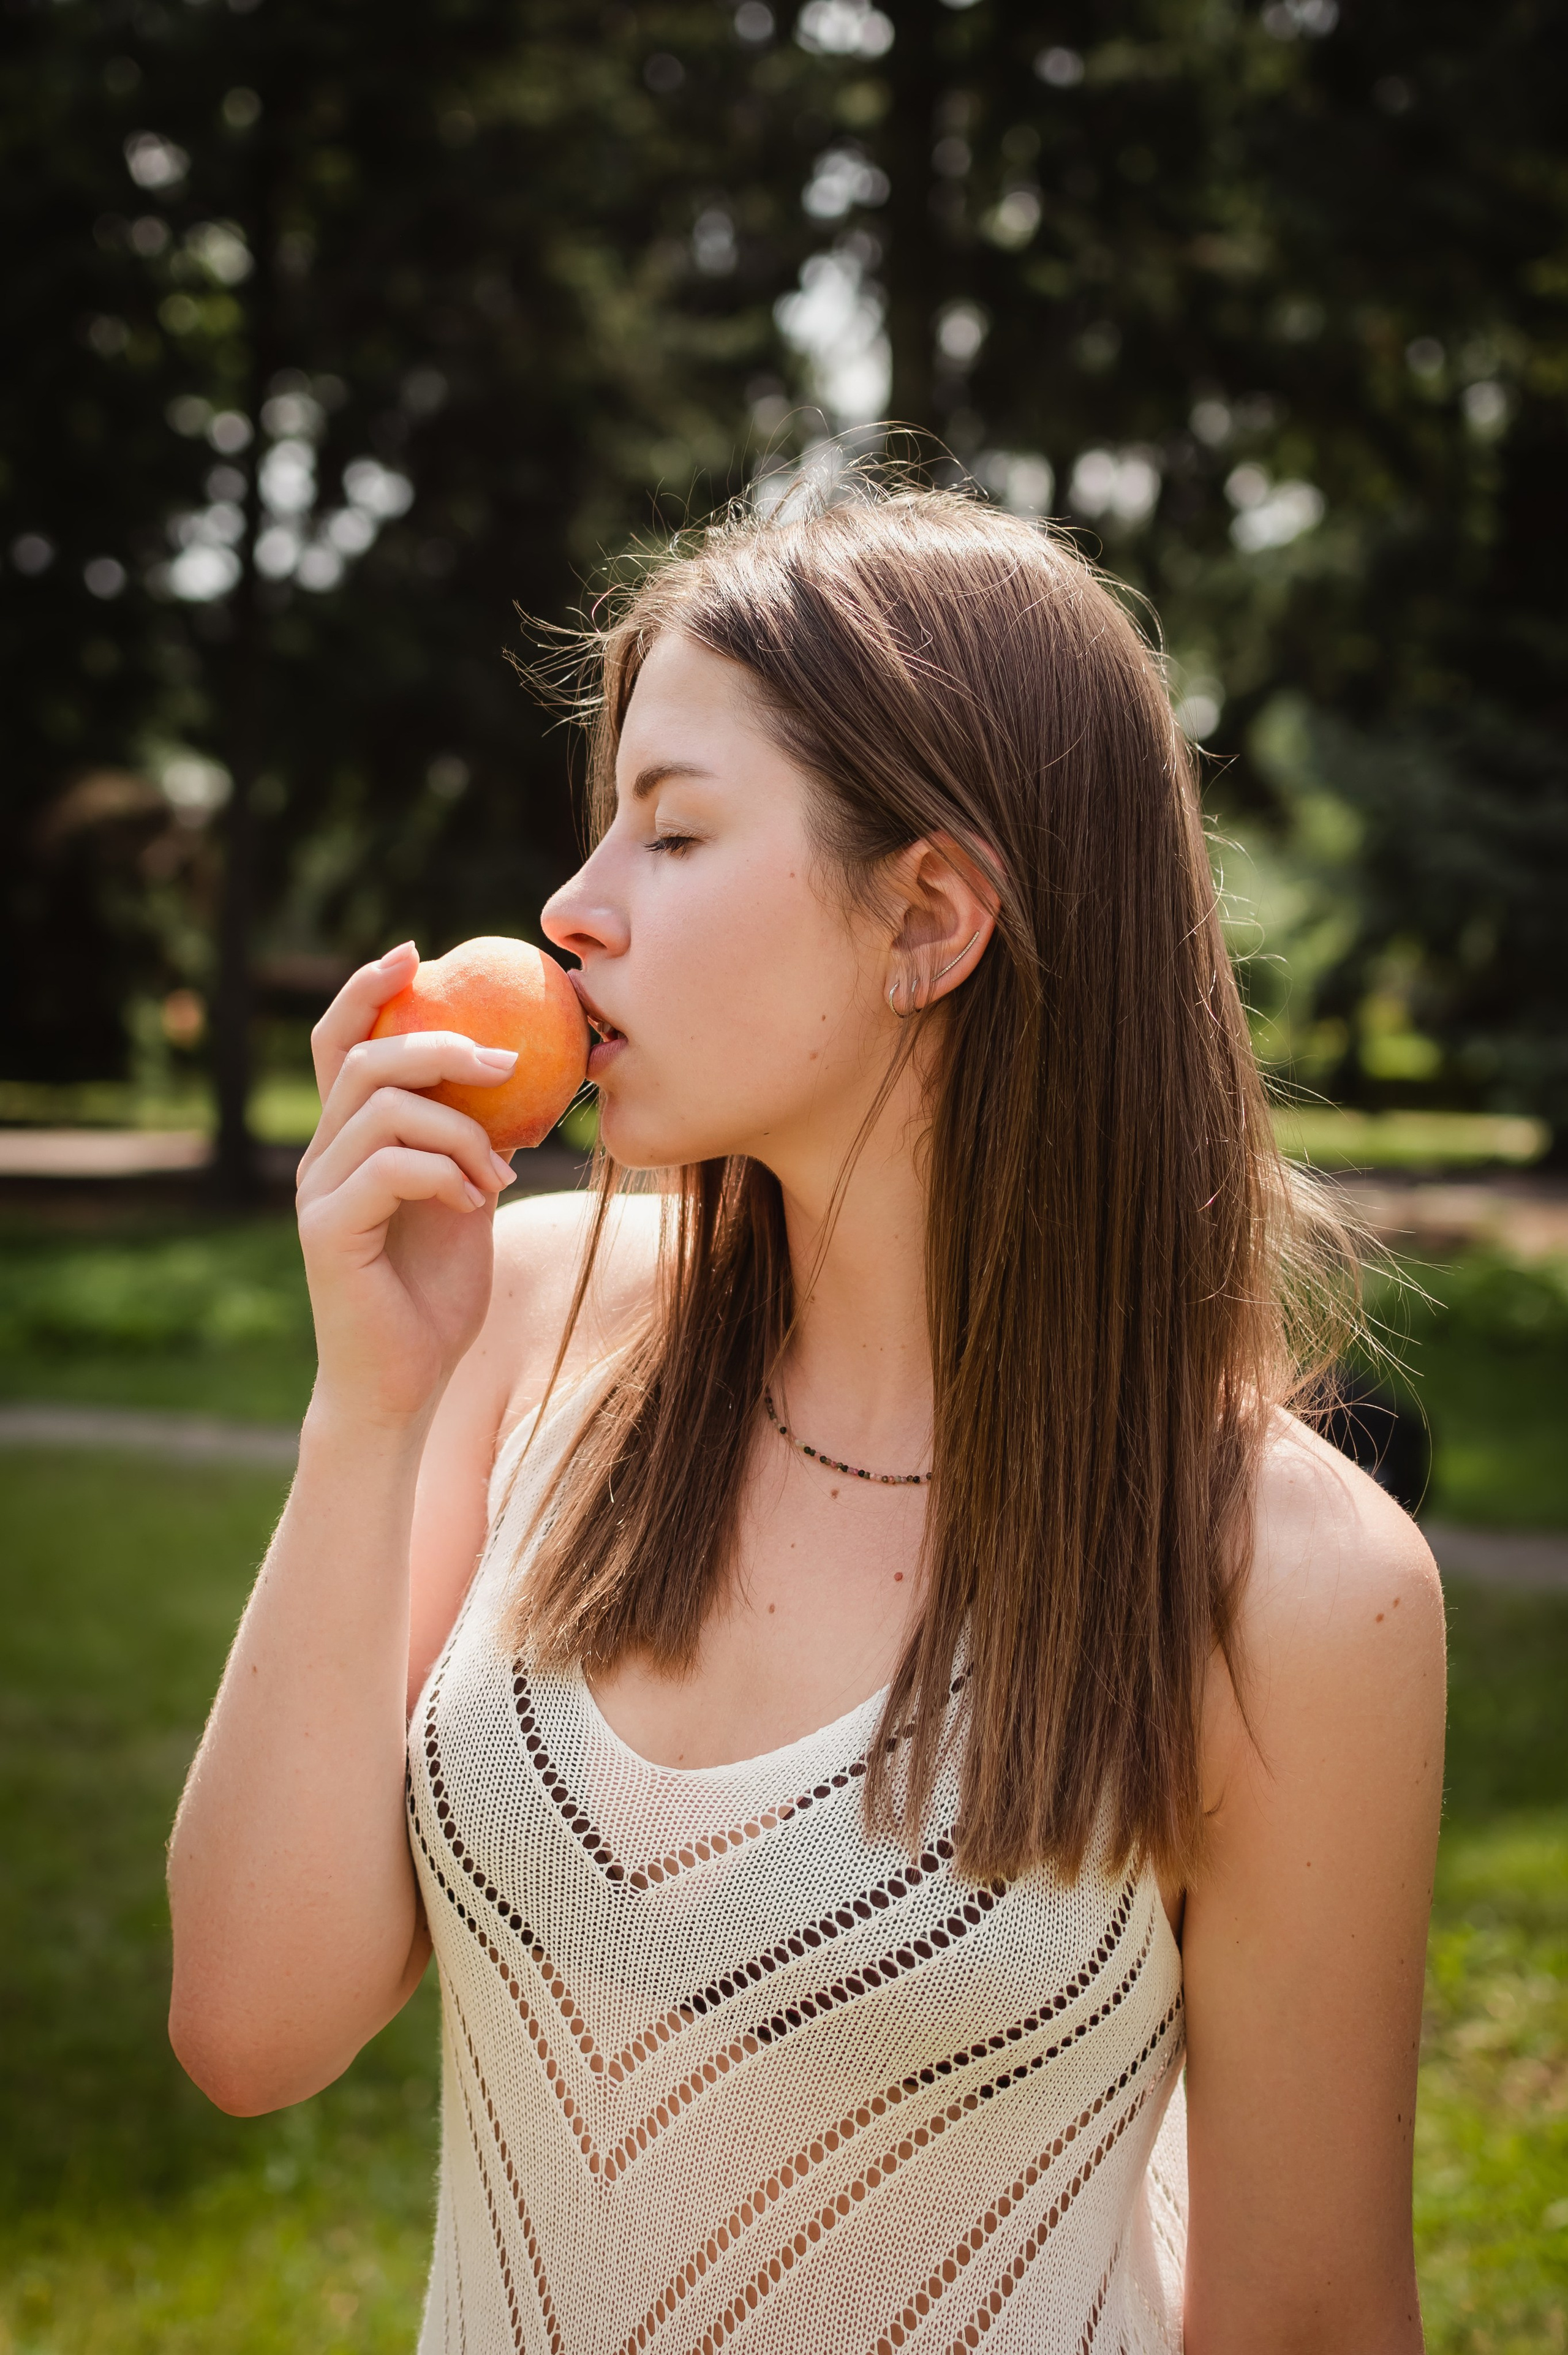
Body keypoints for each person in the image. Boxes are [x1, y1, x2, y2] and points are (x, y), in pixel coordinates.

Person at [168, 486, 1446, 2353]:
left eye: (673, 831)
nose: (569, 909)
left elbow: (1310, 2318)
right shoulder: (520, 1323)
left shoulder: (1294, 1588)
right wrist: (368, 1412)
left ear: (927, 916)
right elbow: (251, 2027)